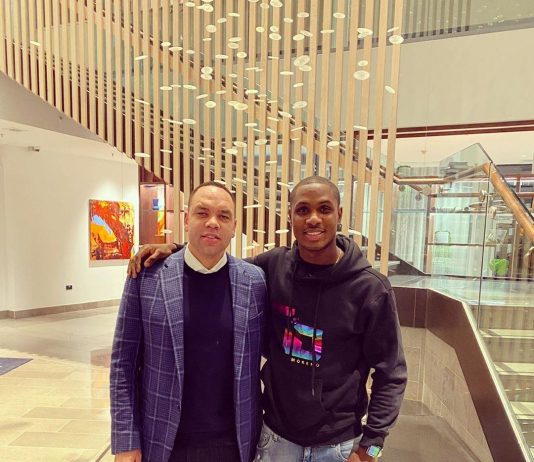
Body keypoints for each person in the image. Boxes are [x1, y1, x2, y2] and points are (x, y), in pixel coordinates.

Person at [129, 176, 407, 462]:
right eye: (302, 210)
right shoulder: (272, 267)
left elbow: (392, 374)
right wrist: (175, 249)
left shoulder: (370, 289)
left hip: (339, 447)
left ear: (339, 214)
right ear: (290, 217)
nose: (313, 218)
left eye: (324, 209)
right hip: (276, 442)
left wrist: (371, 449)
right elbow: (217, 264)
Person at [110, 181, 268, 462]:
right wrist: (125, 441)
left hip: (235, 443)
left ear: (233, 226)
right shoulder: (147, 277)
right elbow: (123, 363)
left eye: (223, 216)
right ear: (186, 219)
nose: (212, 222)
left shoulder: (254, 281)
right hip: (164, 441)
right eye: (202, 213)